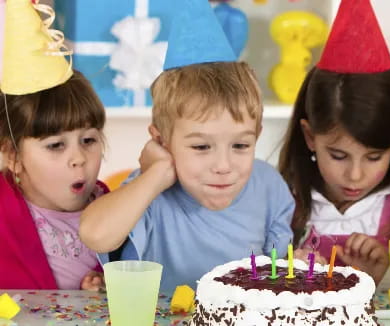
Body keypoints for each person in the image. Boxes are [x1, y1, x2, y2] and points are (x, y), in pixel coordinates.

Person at [79, 0, 294, 292]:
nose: (223, 166)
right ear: (161, 141)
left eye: (241, 145)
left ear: (257, 134)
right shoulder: (149, 191)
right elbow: (95, 234)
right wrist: (157, 173)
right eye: (202, 147)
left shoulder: (269, 187)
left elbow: (279, 281)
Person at [279, 0, 390, 285]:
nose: (355, 175)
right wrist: (287, 270)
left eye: (373, 157)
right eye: (339, 156)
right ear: (309, 137)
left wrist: (378, 276)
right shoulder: (282, 203)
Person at [0, 0, 107, 291]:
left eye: (88, 140)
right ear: (13, 155)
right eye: (56, 145)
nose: (79, 159)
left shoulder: (114, 208)